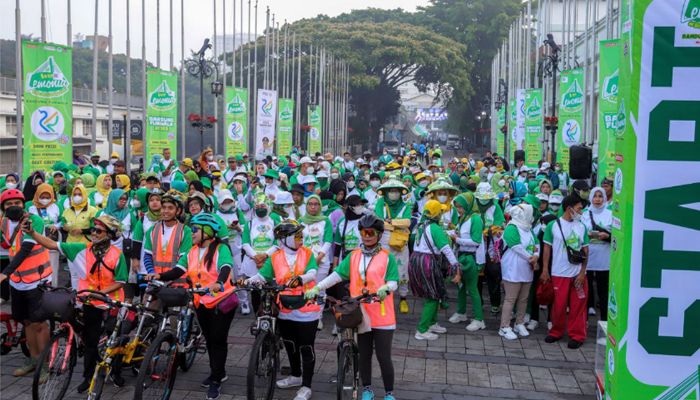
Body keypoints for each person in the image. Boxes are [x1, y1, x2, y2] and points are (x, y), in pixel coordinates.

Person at [26, 214, 127, 391]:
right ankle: (88, 377)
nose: (93, 233)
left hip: (111, 303)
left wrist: (100, 293)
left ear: (109, 235)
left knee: (114, 339)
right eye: (93, 229)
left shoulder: (118, 255)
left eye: (98, 230)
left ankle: (115, 371)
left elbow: (121, 281)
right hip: (89, 301)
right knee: (90, 341)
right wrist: (32, 232)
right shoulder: (80, 249)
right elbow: (51, 245)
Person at [307, 214, 398, 400]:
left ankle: (389, 393)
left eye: (371, 232)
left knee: (383, 356)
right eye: (363, 232)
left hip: (382, 314)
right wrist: (317, 286)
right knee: (363, 355)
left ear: (379, 235)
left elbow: (394, 281)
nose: (366, 236)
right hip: (360, 313)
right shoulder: (354, 255)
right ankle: (367, 389)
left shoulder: (387, 257)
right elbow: (338, 275)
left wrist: (386, 287)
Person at [147, 213, 236, 400]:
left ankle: (216, 379)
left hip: (221, 301)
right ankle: (217, 372)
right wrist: (159, 276)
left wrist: (219, 282)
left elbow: (225, 267)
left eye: (195, 229)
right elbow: (179, 269)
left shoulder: (221, 248)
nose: (192, 232)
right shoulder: (192, 251)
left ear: (207, 231)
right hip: (201, 301)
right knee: (210, 339)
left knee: (218, 340)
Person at [245, 220, 321, 400]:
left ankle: (306, 386)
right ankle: (295, 376)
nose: (300, 239)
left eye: (301, 235)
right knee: (290, 345)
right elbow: (262, 276)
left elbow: (312, 272)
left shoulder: (308, 253)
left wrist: (300, 279)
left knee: (306, 347)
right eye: (297, 236)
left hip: (307, 308)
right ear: (285, 239)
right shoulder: (275, 257)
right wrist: (246, 282)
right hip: (285, 308)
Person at [0, 189, 52, 377]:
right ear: (3, 208)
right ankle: (34, 359)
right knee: (26, 321)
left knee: (39, 323)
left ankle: (45, 366)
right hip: (18, 281)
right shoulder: (3, 223)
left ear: (23, 204)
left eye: (17, 203)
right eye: (8, 204)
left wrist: (5, 273)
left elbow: (25, 250)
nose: (13, 207)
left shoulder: (34, 220)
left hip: (38, 279)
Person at [541, 195, 590, 349]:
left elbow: (586, 251)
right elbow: (547, 249)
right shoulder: (553, 225)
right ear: (569, 208)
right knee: (559, 306)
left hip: (577, 274)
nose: (581, 211)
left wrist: (582, 273)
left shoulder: (582, 226)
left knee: (578, 306)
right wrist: (545, 270)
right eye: (579, 208)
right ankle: (556, 332)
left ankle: (578, 336)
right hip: (559, 273)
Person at [409, 199, 461, 341]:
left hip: (416, 260)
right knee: (432, 297)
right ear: (437, 214)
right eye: (441, 212)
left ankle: (432, 323)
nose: (442, 215)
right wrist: (456, 267)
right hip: (427, 262)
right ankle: (422, 330)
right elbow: (446, 249)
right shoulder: (435, 228)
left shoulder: (421, 225)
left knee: (430, 294)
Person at [499, 204, 539, 340]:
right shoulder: (512, 227)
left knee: (523, 299)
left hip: (527, 269)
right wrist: (531, 258)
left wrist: (536, 255)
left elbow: (536, 244)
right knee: (510, 299)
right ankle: (504, 326)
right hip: (513, 269)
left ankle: (519, 323)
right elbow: (516, 246)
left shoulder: (529, 229)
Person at [448, 193, 486, 332]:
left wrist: (457, 240)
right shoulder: (464, 217)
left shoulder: (475, 218)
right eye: (457, 207)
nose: (459, 209)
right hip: (462, 255)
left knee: (472, 288)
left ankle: (479, 319)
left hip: (472, 258)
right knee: (461, 287)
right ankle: (461, 312)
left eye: (461, 207)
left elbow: (476, 241)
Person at [374, 179, 412, 313]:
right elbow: (379, 221)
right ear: (386, 192)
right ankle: (384, 296)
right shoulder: (381, 203)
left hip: (400, 243)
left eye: (396, 191)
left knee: (402, 270)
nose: (393, 193)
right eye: (391, 191)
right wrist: (396, 223)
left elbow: (407, 221)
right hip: (383, 243)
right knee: (382, 270)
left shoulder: (405, 205)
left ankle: (403, 299)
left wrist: (390, 222)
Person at [299, 195, 333, 329]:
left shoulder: (325, 221)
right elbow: (298, 241)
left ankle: (318, 316)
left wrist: (318, 258)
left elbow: (328, 240)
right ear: (306, 206)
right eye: (310, 204)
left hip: (321, 261)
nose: (313, 206)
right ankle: (306, 313)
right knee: (304, 288)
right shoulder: (300, 221)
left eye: (316, 204)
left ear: (320, 206)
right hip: (304, 261)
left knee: (320, 289)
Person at [474, 182, 505, 314]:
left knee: (493, 274)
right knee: (478, 276)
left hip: (492, 247)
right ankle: (478, 302)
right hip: (476, 245)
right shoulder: (474, 206)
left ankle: (495, 303)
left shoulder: (495, 206)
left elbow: (499, 224)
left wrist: (490, 230)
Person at [581, 187, 611, 320]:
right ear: (591, 198)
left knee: (603, 290)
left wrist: (607, 236)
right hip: (588, 256)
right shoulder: (585, 214)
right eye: (595, 196)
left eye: (600, 196)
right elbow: (578, 233)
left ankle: (604, 321)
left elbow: (617, 236)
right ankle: (584, 320)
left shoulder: (611, 214)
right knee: (586, 289)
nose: (598, 199)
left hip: (604, 257)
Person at [27, 183, 62, 285]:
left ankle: (53, 288)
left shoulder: (57, 206)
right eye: (42, 197)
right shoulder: (29, 205)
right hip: (35, 241)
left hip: (52, 239)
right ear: (37, 194)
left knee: (53, 265)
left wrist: (56, 226)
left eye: (48, 197)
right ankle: (37, 288)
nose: (45, 199)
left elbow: (63, 220)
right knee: (36, 265)